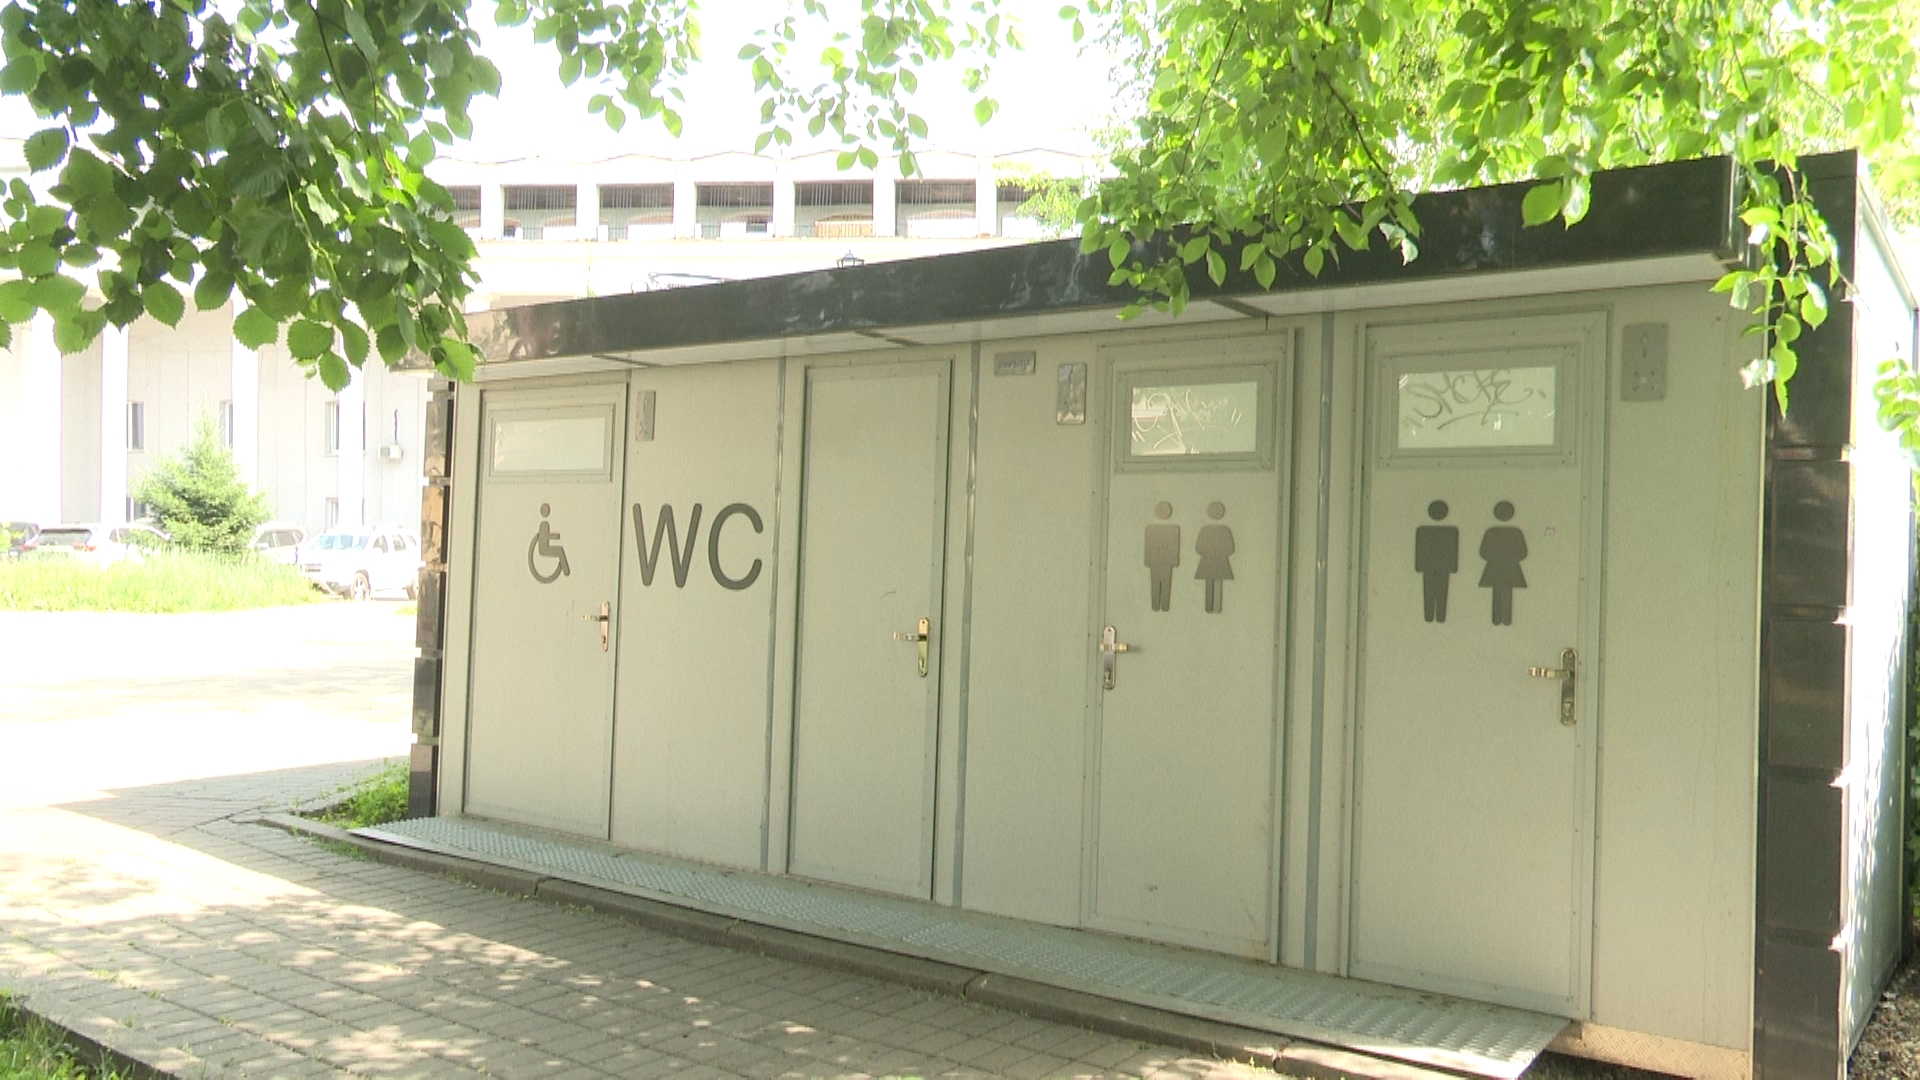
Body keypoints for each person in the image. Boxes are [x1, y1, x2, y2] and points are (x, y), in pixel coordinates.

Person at [1478, 501, 1527, 626]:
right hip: (1511, 569)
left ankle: (1497, 619)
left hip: (1494, 568)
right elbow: (1523, 553)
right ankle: (1506, 619)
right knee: (1507, 593)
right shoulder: (1516, 532)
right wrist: (1510, 557)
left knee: (1496, 593)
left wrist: (1495, 557)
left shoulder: (1491, 532)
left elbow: (1483, 553)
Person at [1414, 500, 1458, 623]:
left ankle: (1430, 616)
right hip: (1443, 568)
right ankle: (1440, 616)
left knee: (1429, 591)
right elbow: (1453, 552)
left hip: (1428, 568)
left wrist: (1419, 567)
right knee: (1441, 592)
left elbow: (1419, 552)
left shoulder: (1423, 531)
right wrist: (1453, 567)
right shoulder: (1451, 531)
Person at [1194, 501, 1235, 614]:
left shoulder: (1224, 530)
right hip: (1208, 561)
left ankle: (1216, 607)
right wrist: (1209, 552)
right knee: (1209, 584)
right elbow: (1198, 548)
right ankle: (1209, 607)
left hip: (1219, 561)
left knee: (1218, 584)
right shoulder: (1205, 530)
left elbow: (1230, 548)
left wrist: (1219, 552)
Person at [1144, 501, 1180, 611]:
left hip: (1166, 563)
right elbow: (1148, 548)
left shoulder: (1173, 530)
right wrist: (1149, 561)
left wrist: (1173, 561)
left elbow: (1174, 548)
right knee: (1155, 584)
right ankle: (1156, 605)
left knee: (1166, 585)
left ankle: (1164, 606)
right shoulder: (1151, 530)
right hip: (1156, 563)